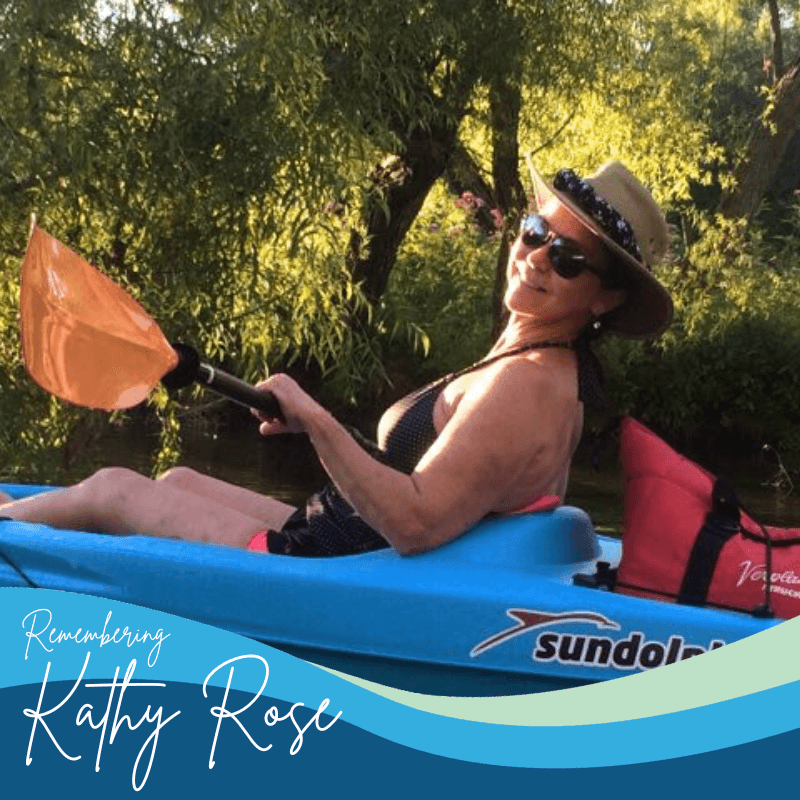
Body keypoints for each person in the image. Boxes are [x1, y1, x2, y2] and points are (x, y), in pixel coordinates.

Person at [0, 159, 673, 556]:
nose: (535, 256)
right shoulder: (534, 357)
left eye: (568, 257)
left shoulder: (531, 384)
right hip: (340, 538)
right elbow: (420, 470)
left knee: (115, 490)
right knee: (175, 480)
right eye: (534, 231)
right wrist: (310, 420)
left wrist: (319, 424)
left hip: (323, 569)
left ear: (606, 298)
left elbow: (414, 522)